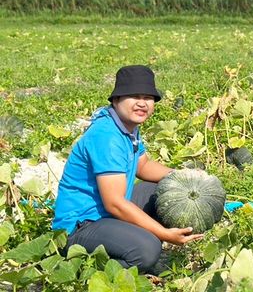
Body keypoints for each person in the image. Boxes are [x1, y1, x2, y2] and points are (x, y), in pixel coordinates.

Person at [52, 65, 202, 273]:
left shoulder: (127, 127)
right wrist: (164, 234)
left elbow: (143, 166)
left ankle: (125, 243)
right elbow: (115, 204)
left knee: (162, 189)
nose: (142, 103)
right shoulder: (106, 136)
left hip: (105, 214)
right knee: (148, 249)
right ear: (116, 99)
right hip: (80, 226)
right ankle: (81, 269)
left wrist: (183, 176)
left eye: (148, 97)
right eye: (134, 96)